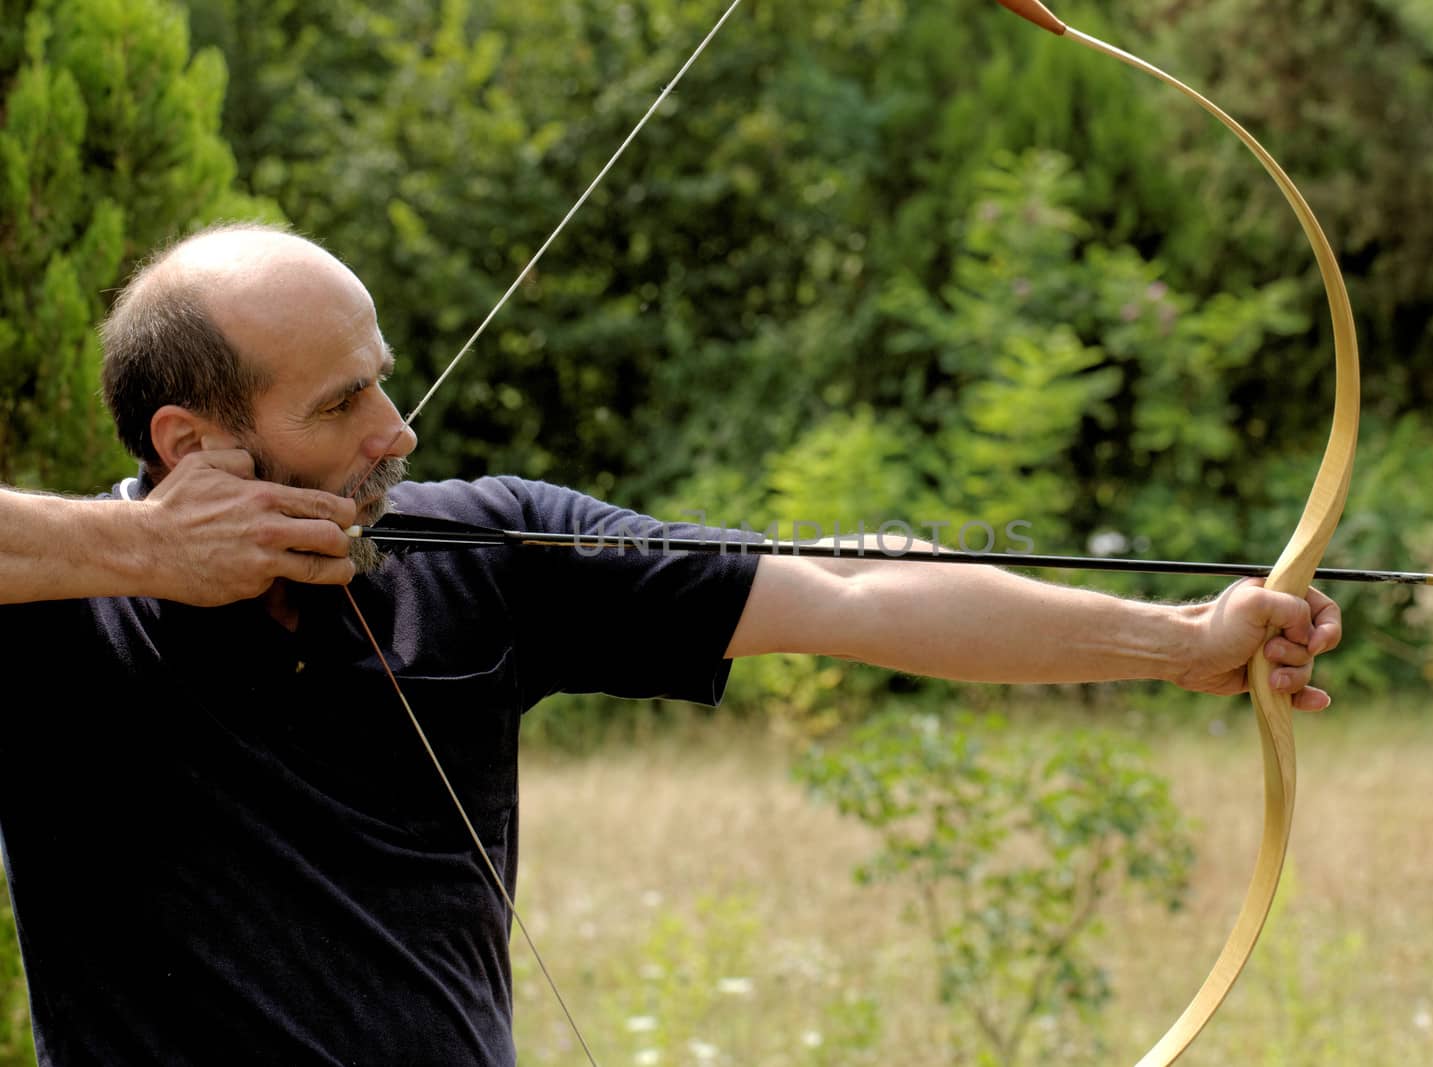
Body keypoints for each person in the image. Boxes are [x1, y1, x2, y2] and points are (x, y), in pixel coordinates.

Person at [0, 223, 1341, 1065]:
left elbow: (849, 593)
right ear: (193, 442)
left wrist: (1181, 640)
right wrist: (140, 555)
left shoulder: (489, 557)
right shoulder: (55, 617)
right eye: (344, 402)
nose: (397, 430)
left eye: (388, 376)